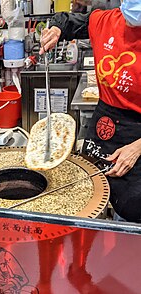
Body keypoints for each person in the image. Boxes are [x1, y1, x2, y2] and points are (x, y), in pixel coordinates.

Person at [40, 0, 141, 223]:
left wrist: (136, 148)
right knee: (91, 197)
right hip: (105, 128)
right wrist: (56, 30)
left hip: (138, 138)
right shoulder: (104, 21)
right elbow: (66, 21)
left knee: (131, 212)